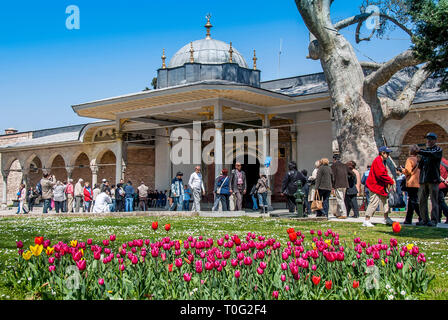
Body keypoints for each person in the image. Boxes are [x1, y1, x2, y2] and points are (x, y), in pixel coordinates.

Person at [363, 146, 395, 227]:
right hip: (375, 186)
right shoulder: (378, 161)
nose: (388, 155)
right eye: (387, 153)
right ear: (382, 153)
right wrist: (390, 181)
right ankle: (366, 220)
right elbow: (381, 174)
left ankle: (386, 218)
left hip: (381, 186)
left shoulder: (382, 161)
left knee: (386, 202)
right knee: (373, 203)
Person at [417, 132, 443, 227]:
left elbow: (432, 154)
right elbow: (420, 166)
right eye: (427, 139)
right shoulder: (425, 152)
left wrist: (419, 151)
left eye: (431, 139)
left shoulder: (437, 150)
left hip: (433, 179)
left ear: (435, 140)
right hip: (424, 179)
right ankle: (424, 219)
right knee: (422, 200)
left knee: (434, 200)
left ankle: (434, 220)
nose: (428, 141)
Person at [402, 145, 421, 225]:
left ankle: (421, 216)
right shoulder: (418, 160)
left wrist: (402, 170)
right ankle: (408, 219)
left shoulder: (410, 159)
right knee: (412, 201)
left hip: (411, 182)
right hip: (418, 182)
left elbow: (408, 171)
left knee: (413, 201)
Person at [331, 154, 350, 219]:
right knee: (341, 199)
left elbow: (332, 176)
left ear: (334, 159)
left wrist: (332, 185)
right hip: (345, 184)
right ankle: (338, 213)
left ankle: (344, 213)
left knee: (340, 199)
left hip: (338, 184)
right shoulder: (345, 165)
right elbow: (351, 173)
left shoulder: (333, 165)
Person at [439, 157, 448, 224]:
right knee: (440, 201)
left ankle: (438, 217)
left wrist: (443, 180)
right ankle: (438, 217)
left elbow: (436, 173)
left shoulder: (436, 162)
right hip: (446, 185)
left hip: (440, 185)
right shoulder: (446, 161)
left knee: (440, 201)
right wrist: (446, 180)